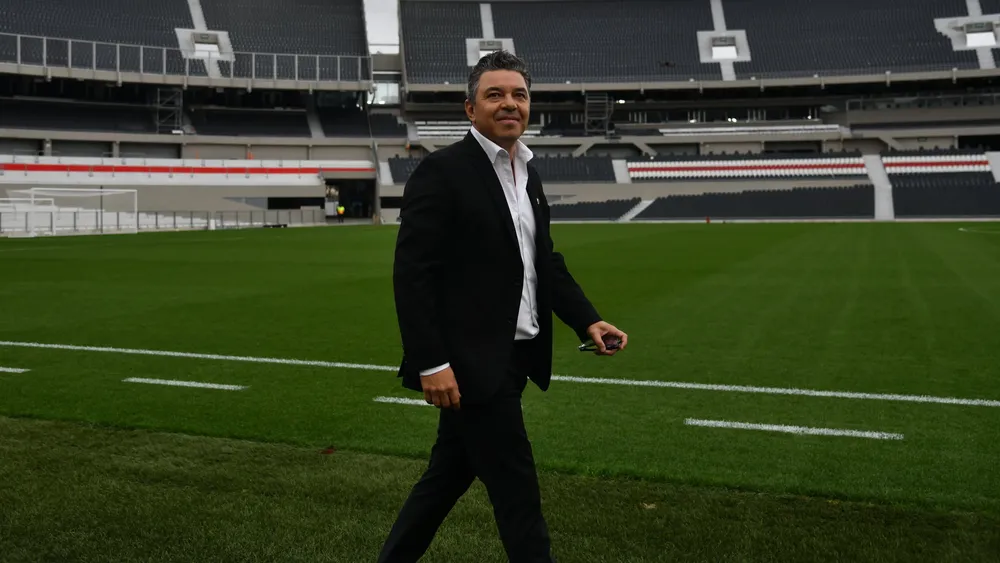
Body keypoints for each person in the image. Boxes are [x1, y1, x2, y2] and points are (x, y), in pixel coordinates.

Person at [379, 50, 628, 563]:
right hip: (470, 366)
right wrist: (432, 362)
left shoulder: (526, 173)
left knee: (445, 479)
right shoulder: (442, 171)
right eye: (495, 94)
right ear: (470, 109)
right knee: (519, 496)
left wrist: (588, 319)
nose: (510, 103)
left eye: (518, 94)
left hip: (515, 360)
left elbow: (544, 262)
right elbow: (413, 274)